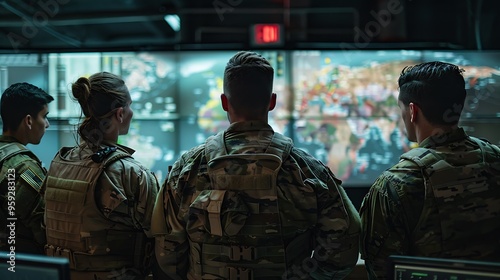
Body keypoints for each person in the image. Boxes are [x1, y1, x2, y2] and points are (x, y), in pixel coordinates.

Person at [151, 51, 361, 280]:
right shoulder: (308, 170)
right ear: (272, 102)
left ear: (224, 102)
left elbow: (167, 257)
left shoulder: (187, 169)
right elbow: (343, 250)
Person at [359, 61, 500, 279]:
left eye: (401, 110)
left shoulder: (395, 184)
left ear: (413, 111)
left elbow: (382, 270)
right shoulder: (495, 157)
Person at [42, 72, 159, 280]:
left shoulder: (59, 162)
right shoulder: (130, 172)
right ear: (120, 114)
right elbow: (163, 241)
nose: (132, 112)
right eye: (130, 106)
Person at [0, 82, 53, 254]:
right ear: (29, 120)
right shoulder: (22, 167)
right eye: (44, 116)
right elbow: (45, 230)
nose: (47, 124)